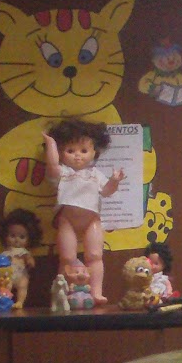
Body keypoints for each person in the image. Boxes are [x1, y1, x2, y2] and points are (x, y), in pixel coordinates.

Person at [44, 119, 124, 305]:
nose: (77, 156)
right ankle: (63, 292)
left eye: (83, 150)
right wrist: (51, 144)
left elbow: (107, 191)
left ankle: (96, 292)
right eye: (70, 151)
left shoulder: (95, 174)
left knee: (95, 256)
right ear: (61, 153)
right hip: (68, 220)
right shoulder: (63, 172)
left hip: (91, 220)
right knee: (67, 257)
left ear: (94, 152)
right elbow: (52, 166)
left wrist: (114, 181)